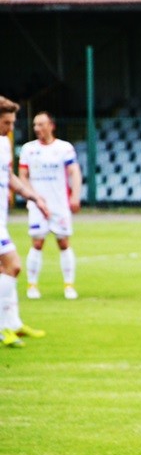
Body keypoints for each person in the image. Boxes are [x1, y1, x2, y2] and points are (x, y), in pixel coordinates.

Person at [0, 97, 49, 347]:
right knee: (13, 266)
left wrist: (33, 196)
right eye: (6, 122)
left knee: (5, 271)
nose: (11, 128)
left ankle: (13, 325)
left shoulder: (4, 144)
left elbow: (7, 176)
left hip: (1, 220)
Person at [19, 111, 82, 300]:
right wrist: (34, 197)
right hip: (37, 205)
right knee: (37, 242)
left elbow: (74, 172)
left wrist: (75, 196)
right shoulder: (28, 149)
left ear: (51, 126)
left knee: (63, 242)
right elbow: (23, 176)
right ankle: (32, 285)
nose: (37, 128)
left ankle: (69, 285)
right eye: (35, 125)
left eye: (40, 124)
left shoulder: (64, 148)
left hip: (59, 204)